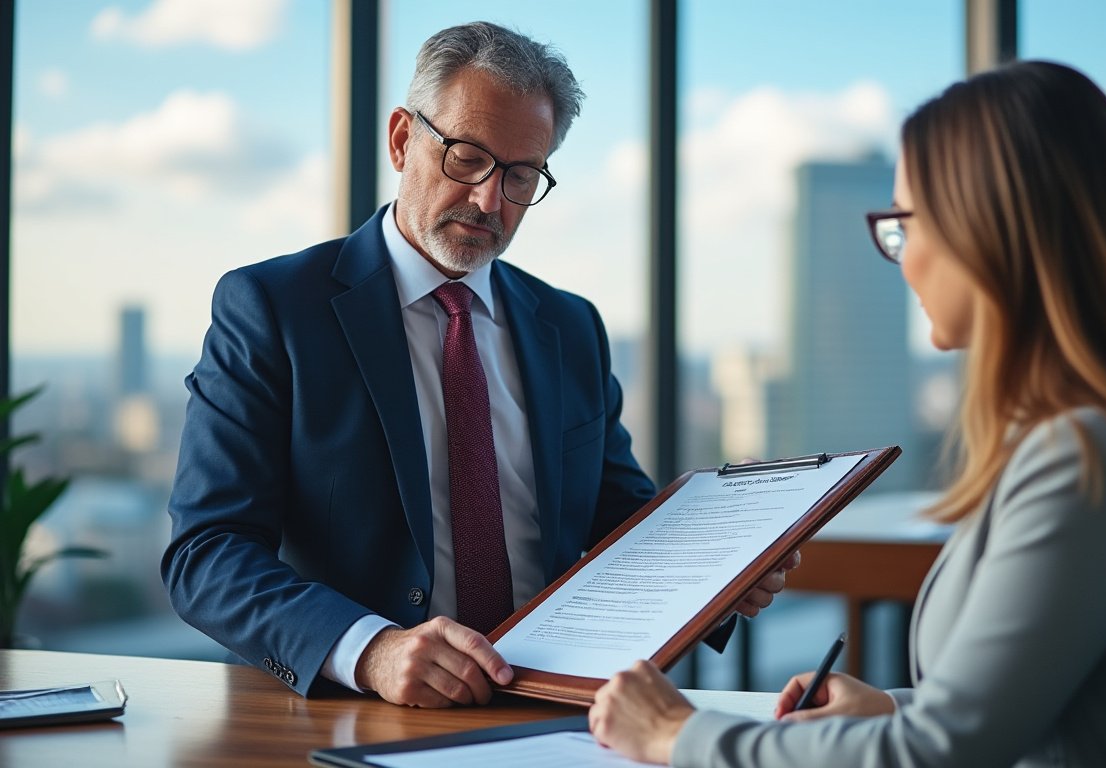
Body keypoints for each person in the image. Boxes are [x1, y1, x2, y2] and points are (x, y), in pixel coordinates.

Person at [588, 60, 1106, 767]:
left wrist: (679, 733)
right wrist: (893, 706)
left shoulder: (1084, 459)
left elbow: (939, 755)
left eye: (904, 224)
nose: (903, 260)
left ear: (986, 230)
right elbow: (1051, 705)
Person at [162, 21, 795, 708]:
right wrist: (370, 649)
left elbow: (617, 516)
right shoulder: (274, 308)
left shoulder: (570, 325)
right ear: (404, 140)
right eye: (467, 157)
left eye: (522, 175)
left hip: (559, 709)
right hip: (367, 712)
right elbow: (207, 553)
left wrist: (720, 573)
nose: (491, 200)